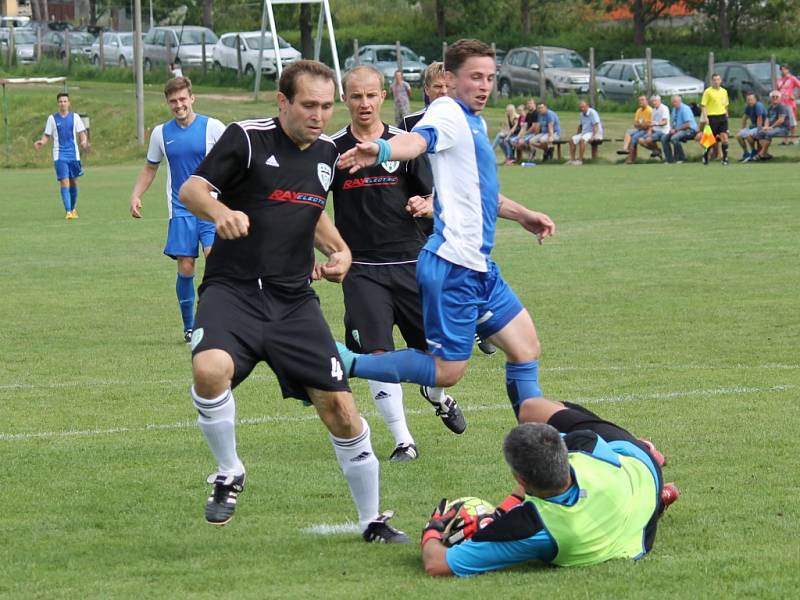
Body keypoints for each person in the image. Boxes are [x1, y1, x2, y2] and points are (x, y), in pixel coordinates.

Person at [177, 60, 408, 543]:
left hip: (293, 301)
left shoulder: (328, 152)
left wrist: (339, 250)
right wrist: (219, 211)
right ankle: (228, 471)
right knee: (208, 368)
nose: (320, 115)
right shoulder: (245, 137)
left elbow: (311, 206)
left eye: (326, 106)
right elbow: (192, 188)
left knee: (342, 411)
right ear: (283, 102)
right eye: (309, 105)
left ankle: (372, 521)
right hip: (232, 290)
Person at [336, 39, 556, 425]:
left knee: (525, 349)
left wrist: (521, 214)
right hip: (453, 266)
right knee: (448, 371)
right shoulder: (447, 112)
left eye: (490, 77)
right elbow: (419, 140)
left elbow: (478, 191)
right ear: (451, 79)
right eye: (475, 77)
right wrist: (383, 150)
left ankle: (534, 453)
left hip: (478, 266)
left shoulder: (474, 120)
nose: (484, 86)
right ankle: (344, 361)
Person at [329, 65, 466, 462]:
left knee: (439, 358)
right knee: (376, 356)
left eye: (371, 95)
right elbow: (313, 208)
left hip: (411, 263)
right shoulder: (332, 149)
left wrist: (426, 206)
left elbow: (436, 199)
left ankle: (436, 396)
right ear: (345, 99)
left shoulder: (405, 145)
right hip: (363, 270)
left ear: (384, 96)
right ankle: (403, 440)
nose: (364, 103)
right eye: (356, 96)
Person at [420, 398, 679, 576]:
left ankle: (657, 495)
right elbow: (543, 457)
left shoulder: (533, 526)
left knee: (530, 410)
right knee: (537, 408)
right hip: (641, 468)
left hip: (639, 533)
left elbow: (437, 564)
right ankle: (651, 469)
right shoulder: (587, 446)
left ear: (519, 479)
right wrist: (498, 515)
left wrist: (434, 528)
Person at [402, 61, 497, 356]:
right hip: (417, 213)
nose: (443, 92)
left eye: (447, 86)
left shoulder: (467, 121)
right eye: (437, 87)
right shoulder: (410, 124)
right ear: (427, 91)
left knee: (468, 269)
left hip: (451, 213)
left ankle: (478, 321)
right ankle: (451, 333)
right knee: (432, 278)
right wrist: (414, 200)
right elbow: (402, 168)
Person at [129, 77, 226, 344]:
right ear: (168, 103)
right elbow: (150, 168)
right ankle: (189, 326)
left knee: (214, 261)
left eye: (183, 99)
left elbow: (236, 159)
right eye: (173, 101)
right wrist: (136, 194)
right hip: (181, 209)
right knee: (186, 266)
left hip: (210, 207)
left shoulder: (214, 127)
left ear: (192, 98)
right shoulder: (161, 133)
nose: (179, 105)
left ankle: (212, 320)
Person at [33, 92, 88, 220]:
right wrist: (42, 142)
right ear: (58, 104)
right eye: (60, 101)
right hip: (59, 155)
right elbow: (47, 135)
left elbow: (81, 133)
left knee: (74, 181)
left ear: (69, 103)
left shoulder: (75, 117)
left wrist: (84, 141)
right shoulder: (52, 119)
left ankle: (73, 209)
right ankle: (68, 211)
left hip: (74, 155)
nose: (63, 103)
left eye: (65, 101)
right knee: (64, 181)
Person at [402, 62, 447, 131]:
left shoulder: (465, 120)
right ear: (427, 90)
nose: (444, 91)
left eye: (448, 86)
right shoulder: (409, 123)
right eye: (438, 86)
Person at [700, 73, 730, 165]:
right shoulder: (708, 92)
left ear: (720, 81)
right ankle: (706, 156)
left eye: (718, 80)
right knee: (711, 139)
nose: (716, 82)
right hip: (712, 117)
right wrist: (705, 117)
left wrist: (726, 115)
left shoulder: (724, 91)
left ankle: (725, 159)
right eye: (714, 80)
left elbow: (725, 105)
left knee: (724, 137)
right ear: (712, 81)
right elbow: (703, 105)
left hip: (722, 116)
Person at [753, 90, 792, 161]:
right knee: (760, 133)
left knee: (768, 133)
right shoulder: (770, 107)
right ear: (770, 98)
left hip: (783, 128)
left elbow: (781, 120)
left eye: (777, 96)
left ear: (780, 98)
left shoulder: (782, 107)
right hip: (773, 128)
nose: (775, 98)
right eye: (773, 96)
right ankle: (765, 154)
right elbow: (767, 119)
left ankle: (761, 154)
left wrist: (771, 127)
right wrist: (765, 127)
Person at [662, 95, 697, 164]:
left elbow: (687, 125)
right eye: (672, 102)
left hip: (690, 130)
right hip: (679, 130)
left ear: (680, 101)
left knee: (674, 138)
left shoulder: (685, 109)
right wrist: (672, 129)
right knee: (664, 138)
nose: (673, 103)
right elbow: (673, 122)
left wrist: (676, 130)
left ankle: (681, 158)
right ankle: (669, 159)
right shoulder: (674, 109)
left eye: (675, 102)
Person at [616, 95, 651, 161]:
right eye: (640, 100)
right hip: (639, 129)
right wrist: (641, 125)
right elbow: (635, 124)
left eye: (642, 100)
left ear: (647, 101)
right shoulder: (639, 110)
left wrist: (641, 125)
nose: (641, 102)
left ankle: (631, 159)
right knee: (628, 131)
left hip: (647, 130)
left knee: (634, 137)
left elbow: (648, 125)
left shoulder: (649, 110)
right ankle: (625, 149)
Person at [567, 100, 602, 165]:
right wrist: (577, 135)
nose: (582, 109)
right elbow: (580, 125)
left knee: (582, 140)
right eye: (581, 107)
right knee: (571, 140)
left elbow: (595, 125)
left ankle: (580, 160)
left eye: (583, 107)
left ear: (587, 106)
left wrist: (593, 137)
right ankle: (572, 160)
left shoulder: (592, 112)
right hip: (585, 133)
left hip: (595, 133)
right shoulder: (581, 114)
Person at [736, 93, 766, 162]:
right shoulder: (748, 106)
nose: (750, 101)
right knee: (738, 136)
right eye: (748, 100)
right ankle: (746, 153)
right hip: (752, 128)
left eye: (751, 99)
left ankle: (753, 151)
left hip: (761, 127)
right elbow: (744, 118)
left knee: (748, 135)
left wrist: (759, 130)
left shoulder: (758, 105)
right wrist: (742, 129)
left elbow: (760, 118)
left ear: (755, 100)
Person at [638, 95, 670, 160]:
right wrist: (649, 131)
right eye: (652, 101)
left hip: (663, 131)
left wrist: (656, 124)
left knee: (648, 140)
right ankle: (657, 150)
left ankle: (658, 152)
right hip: (654, 130)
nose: (654, 102)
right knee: (640, 141)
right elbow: (651, 124)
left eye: (655, 101)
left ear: (659, 101)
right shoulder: (653, 110)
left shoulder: (664, 108)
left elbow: (665, 122)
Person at [776, 64, 800, 143]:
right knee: (783, 122)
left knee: (792, 122)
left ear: (788, 70)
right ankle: (785, 139)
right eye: (781, 69)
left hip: (790, 103)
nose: (783, 71)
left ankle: (792, 139)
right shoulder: (779, 80)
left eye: (784, 69)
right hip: (781, 104)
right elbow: (777, 90)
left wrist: (795, 96)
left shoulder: (792, 78)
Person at [515, 97, 539, 162]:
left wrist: (525, 134)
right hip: (528, 133)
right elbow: (525, 126)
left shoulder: (536, 113)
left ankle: (532, 154)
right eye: (528, 103)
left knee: (520, 142)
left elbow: (534, 127)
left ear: (534, 104)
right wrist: (520, 135)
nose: (529, 105)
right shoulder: (528, 114)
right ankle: (530, 153)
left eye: (531, 103)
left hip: (534, 133)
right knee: (515, 141)